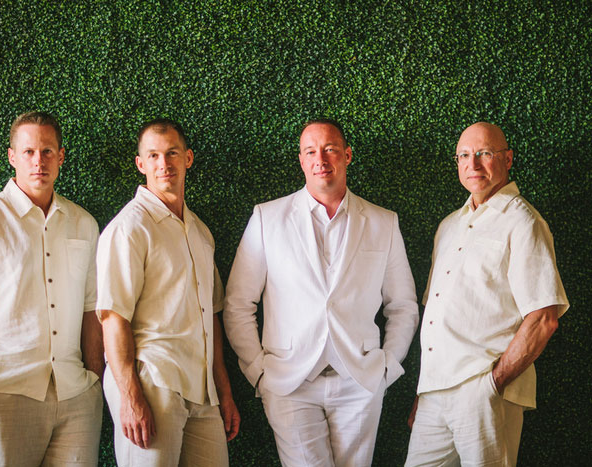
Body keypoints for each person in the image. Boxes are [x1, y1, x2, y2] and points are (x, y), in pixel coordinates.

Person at [224, 119, 419, 466]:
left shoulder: (383, 222)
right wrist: (259, 371)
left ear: (347, 155)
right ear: (301, 160)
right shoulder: (268, 218)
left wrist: (387, 368)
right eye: (311, 151)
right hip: (288, 382)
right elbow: (239, 304)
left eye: (330, 149)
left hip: (360, 380)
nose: (321, 159)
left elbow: (403, 305)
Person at [0, 111, 104, 466]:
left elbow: (93, 309)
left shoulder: (84, 223)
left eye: (47, 151)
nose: (38, 161)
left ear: (61, 156)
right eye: (28, 152)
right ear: (12, 157)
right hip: (5, 391)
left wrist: (95, 381)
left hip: (76, 395)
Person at [405, 122, 569, 466]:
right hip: (434, 393)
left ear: (508, 159)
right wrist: (425, 391)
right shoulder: (448, 226)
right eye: (464, 155)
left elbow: (543, 319)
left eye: (484, 154)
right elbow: (438, 316)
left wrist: (493, 384)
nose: (473, 164)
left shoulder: (523, 222)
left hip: (484, 390)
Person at [97, 118, 240, 466]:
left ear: (187, 158)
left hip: (202, 390)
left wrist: (223, 390)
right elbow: (113, 317)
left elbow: (212, 315)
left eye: (172, 153)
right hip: (153, 381)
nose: (164, 164)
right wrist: (129, 397)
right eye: (154, 155)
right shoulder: (129, 229)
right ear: (140, 164)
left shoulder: (200, 232)